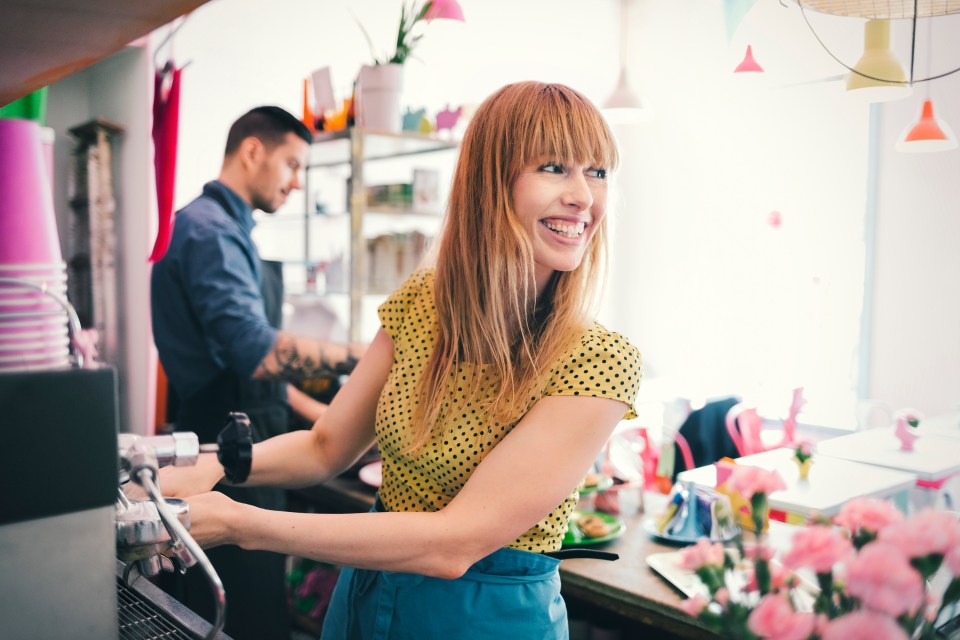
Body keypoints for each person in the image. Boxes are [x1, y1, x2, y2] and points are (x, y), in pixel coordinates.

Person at [159, 82, 643, 639]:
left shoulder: (599, 361)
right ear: (490, 182)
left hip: (485, 619)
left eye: (598, 171)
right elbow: (325, 446)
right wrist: (222, 465)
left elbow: (453, 543)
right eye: (555, 167)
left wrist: (242, 523)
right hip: (366, 598)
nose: (584, 195)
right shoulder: (421, 303)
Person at [150, 105, 365, 639]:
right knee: (238, 613)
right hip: (222, 440)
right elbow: (255, 353)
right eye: (292, 164)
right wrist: (366, 356)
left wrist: (329, 417)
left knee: (256, 601)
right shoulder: (209, 233)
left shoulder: (229, 230)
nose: (296, 182)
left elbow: (262, 377)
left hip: (246, 430)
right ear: (252, 151)